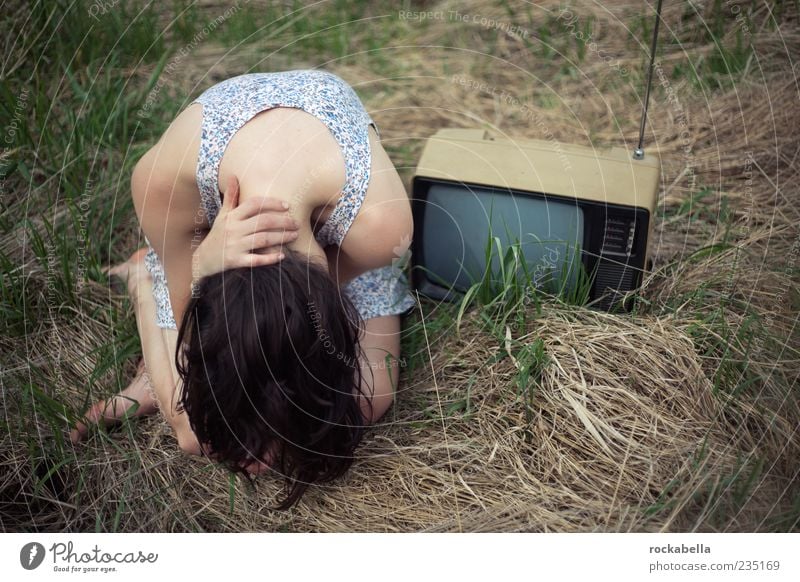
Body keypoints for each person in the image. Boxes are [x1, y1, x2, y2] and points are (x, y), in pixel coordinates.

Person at [69, 69, 416, 510]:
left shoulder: (379, 228)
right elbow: (186, 319)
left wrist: (279, 411)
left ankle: (188, 369)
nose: (261, 463)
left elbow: (320, 324)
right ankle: (144, 279)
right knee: (194, 433)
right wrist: (199, 266)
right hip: (204, 226)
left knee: (368, 401)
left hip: (338, 231)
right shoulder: (165, 185)